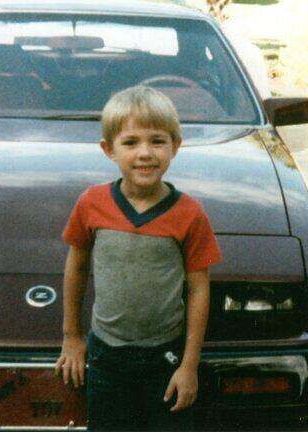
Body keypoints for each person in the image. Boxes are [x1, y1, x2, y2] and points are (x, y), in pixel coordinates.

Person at [55, 86, 222, 431]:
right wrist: (72, 336)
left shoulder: (189, 214)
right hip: (106, 355)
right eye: (130, 142)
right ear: (108, 149)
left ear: (176, 146)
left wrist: (189, 366)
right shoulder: (91, 203)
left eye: (157, 141)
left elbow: (198, 289)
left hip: (165, 356)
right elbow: (76, 268)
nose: (145, 153)